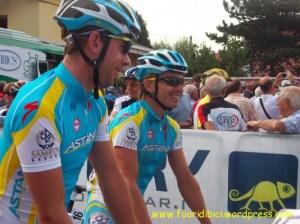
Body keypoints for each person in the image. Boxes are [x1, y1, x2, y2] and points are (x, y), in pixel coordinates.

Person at [0, 0, 141, 223]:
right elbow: (51, 215)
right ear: (95, 42)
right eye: (124, 48)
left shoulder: (95, 100)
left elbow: (110, 175)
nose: (126, 61)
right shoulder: (41, 107)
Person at [83, 49, 211, 224]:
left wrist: (206, 221)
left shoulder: (171, 127)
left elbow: (185, 178)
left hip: (133, 201)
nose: (180, 89)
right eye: (173, 81)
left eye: (181, 82)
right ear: (150, 85)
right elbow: (127, 183)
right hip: (105, 202)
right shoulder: (130, 121)